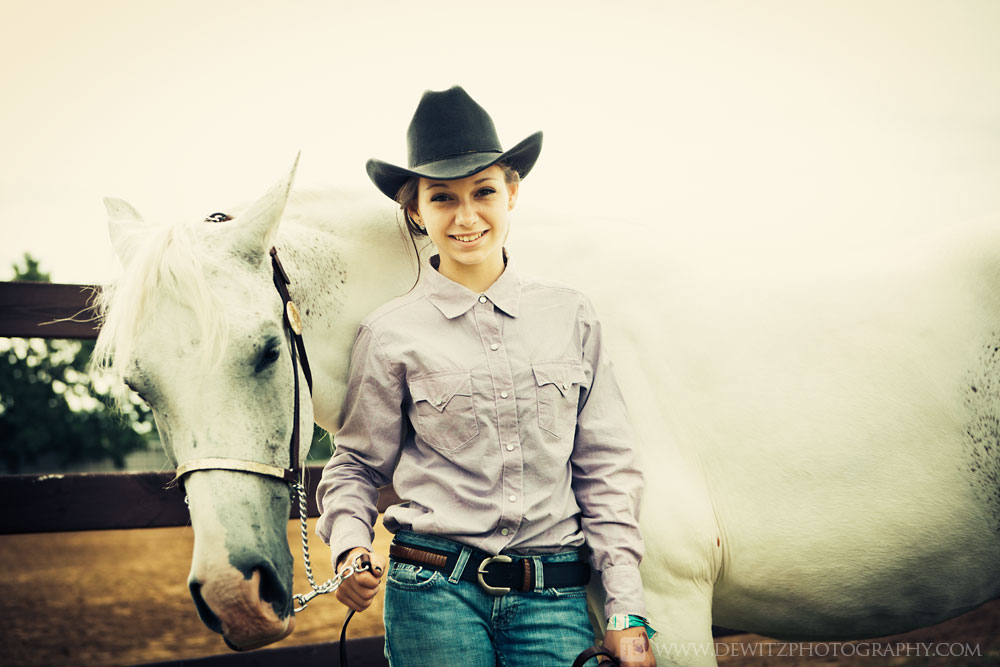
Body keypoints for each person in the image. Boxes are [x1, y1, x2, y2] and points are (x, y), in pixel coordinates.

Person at [316, 86, 655, 666]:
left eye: (484, 192)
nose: (466, 216)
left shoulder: (570, 315)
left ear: (512, 194)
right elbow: (356, 464)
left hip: (553, 597)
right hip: (433, 593)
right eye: (443, 198)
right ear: (415, 211)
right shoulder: (389, 333)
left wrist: (624, 609)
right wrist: (350, 548)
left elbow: (606, 466)